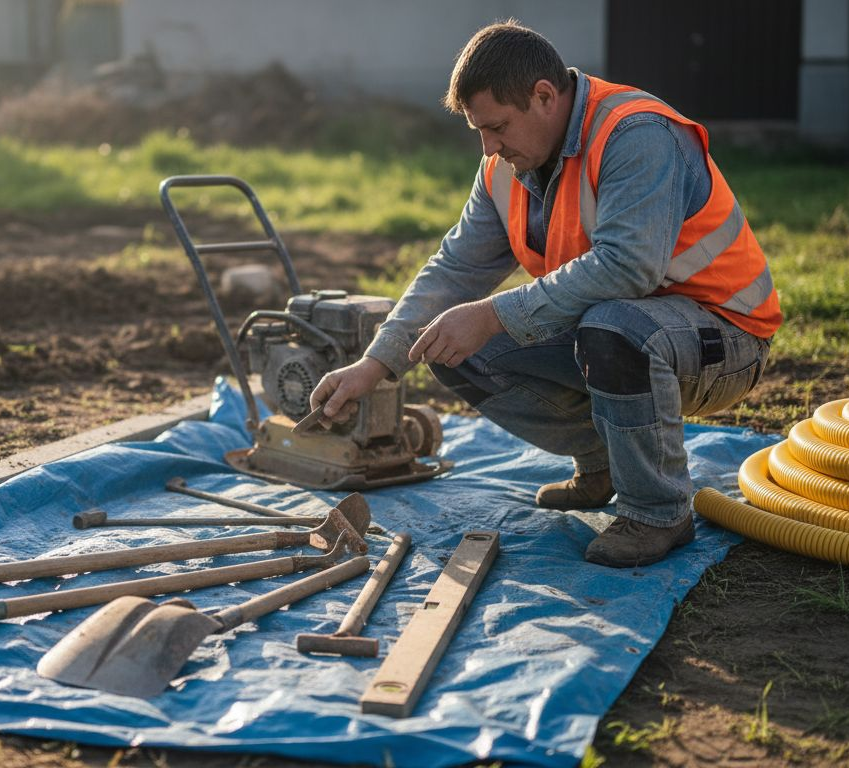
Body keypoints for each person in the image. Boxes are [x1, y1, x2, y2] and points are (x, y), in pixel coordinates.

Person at [309, 21, 780, 568]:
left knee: (610, 327)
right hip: (626, 328)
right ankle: (605, 462)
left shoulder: (638, 133)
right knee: (449, 345)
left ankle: (657, 512)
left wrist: (492, 314)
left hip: (723, 339)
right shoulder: (505, 165)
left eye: (498, 127)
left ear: (544, 96)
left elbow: (628, 266)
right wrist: (375, 363)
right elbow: (454, 270)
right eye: (479, 131)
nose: (488, 147)